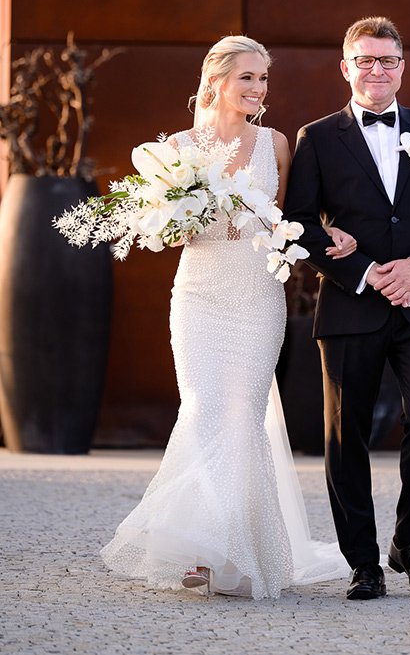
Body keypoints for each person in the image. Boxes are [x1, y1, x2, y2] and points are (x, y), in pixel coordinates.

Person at [101, 36, 352, 598]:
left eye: (264, 79)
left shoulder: (277, 144)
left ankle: (227, 548)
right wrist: (182, 213)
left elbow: (295, 219)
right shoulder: (177, 148)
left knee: (241, 417)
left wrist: (329, 232)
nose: (258, 90)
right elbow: (166, 233)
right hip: (199, 295)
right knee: (206, 409)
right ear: (216, 80)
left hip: (257, 297)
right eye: (248, 78)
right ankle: (205, 550)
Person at [283, 16, 410, 600]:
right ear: (346, 68)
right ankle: (363, 562)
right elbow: (298, 226)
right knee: (347, 436)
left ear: (401, 67)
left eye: (387, 60)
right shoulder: (316, 138)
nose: (377, 70)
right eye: (365, 60)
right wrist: (365, 271)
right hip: (350, 305)